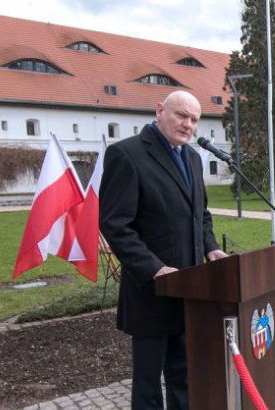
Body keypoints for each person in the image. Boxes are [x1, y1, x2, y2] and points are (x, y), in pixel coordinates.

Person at [99, 90, 229, 409]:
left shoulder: (194, 159)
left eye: (195, 120)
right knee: (148, 383)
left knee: (183, 374)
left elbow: (201, 214)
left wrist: (211, 248)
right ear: (160, 111)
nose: (188, 125)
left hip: (190, 288)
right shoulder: (126, 154)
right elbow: (116, 224)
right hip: (151, 291)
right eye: (182, 115)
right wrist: (155, 269)